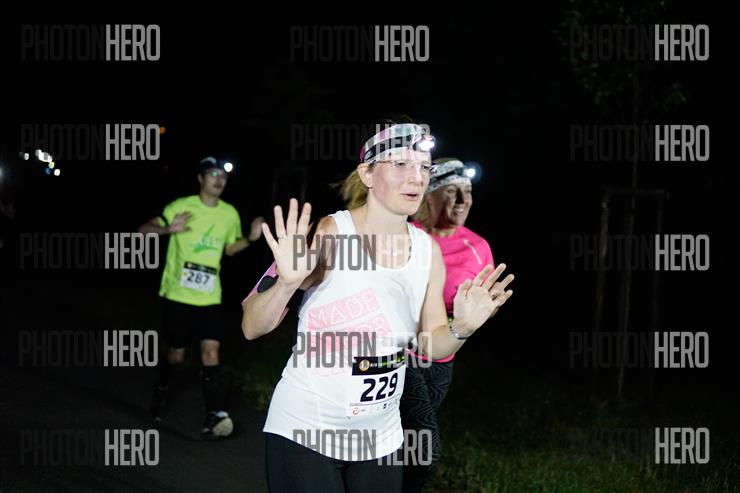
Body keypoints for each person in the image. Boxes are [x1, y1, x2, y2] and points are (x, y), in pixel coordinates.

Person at [241, 123, 514, 492]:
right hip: (306, 430)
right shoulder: (330, 232)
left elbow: (432, 345)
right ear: (367, 174)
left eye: (423, 167)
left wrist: (461, 328)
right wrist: (287, 283)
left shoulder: (427, 251)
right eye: (400, 164)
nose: (416, 177)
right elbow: (251, 326)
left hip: (379, 439)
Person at [139, 156, 264, 439]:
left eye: (223, 176)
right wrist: (167, 229)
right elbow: (144, 229)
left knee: (211, 352)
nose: (219, 180)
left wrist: (251, 238)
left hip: (209, 297)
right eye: (213, 174)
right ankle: (160, 391)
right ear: (200, 178)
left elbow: (229, 249)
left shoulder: (229, 214)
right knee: (177, 354)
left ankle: (213, 415)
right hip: (178, 294)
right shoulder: (182, 206)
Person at [400, 158, 494, 492]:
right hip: (399, 358)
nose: (463, 200)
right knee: (423, 450)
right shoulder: (405, 234)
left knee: (405, 447)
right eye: (453, 191)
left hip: (441, 362)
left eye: (468, 192)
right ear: (430, 195)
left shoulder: (477, 247)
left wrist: (479, 312)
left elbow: (478, 309)